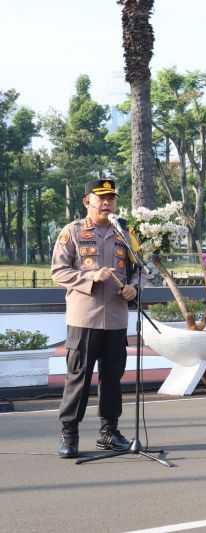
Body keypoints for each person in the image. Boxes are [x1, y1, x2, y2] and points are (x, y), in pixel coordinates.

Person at [52, 179, 138, 459]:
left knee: (112, 379)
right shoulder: (73, 232)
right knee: (78, 377)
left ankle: (109, 432)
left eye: (111, 198)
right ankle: (69, 433)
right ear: (86, 201)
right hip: (84, 318)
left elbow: (140, 269)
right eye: (100, 198)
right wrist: (90, 277)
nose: (106, 203)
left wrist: (133, 288)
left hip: (116, 318)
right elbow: (59, 271)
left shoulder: (125, 232)